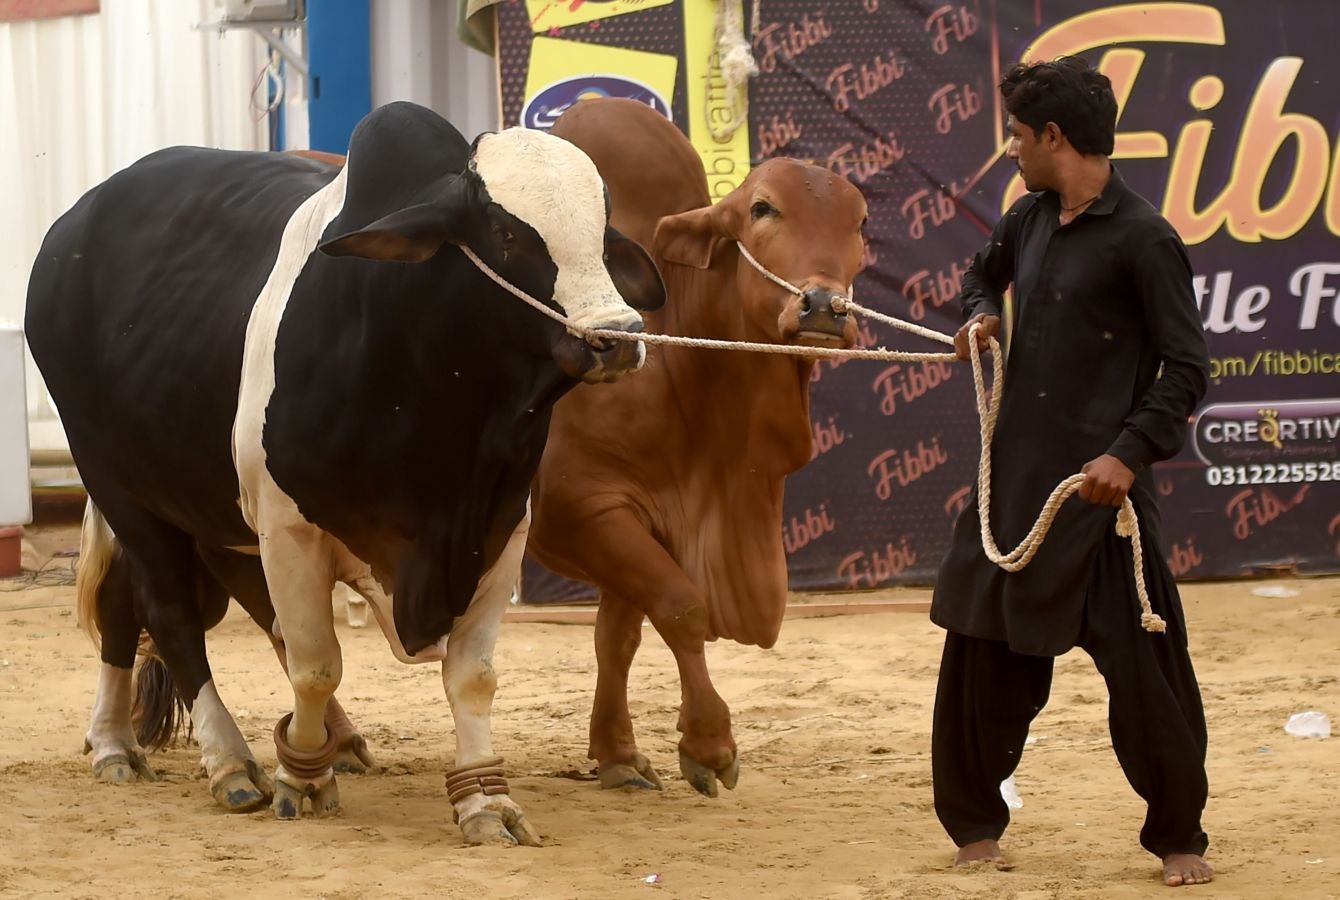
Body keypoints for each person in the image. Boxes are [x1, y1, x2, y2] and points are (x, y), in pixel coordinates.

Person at [930, 56, 1214, 887]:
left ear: (1055, 136)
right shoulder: (1027, 219)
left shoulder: (1146, 239)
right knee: (978, 664)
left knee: (1149, 678)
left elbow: (1187, 368)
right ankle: (976, 826)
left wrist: (1127, 454)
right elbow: (983, 278)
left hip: (1101, 504)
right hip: (1016, 488)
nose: (1011, 149)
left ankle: (1180, 838)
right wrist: (982, 316)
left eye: (1018, 135)